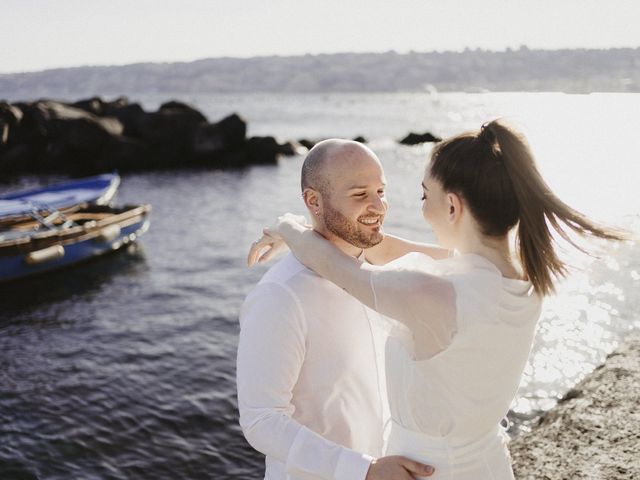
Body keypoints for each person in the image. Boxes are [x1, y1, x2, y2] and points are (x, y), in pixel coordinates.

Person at [249, 120, 625, 479]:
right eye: (362, 194)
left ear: (452, 207)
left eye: (423, 195)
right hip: (487, 466)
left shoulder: (428, 292)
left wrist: (288, 227)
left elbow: (340, 269)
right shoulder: (522, 276)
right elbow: (389, 249)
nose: (385, 207)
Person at [237, 139, 437, 480]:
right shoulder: (280, 295)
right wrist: (365, 470)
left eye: (380, 191)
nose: (379, 206)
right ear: (314, 201)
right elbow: (261, 420)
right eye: (360, 194)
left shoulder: (381, 278)